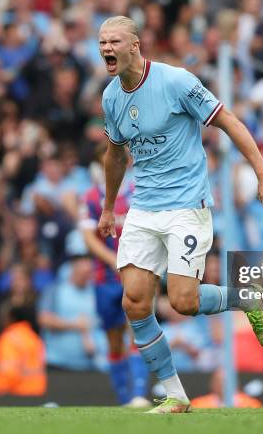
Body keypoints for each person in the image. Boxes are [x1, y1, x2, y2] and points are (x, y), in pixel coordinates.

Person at [97, 16, 263, 414]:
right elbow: (114, 154)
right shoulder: (111, 97)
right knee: (135, 302)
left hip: (185, 206)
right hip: (144, 207)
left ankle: (244, 297)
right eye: (102, 42)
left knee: (183, 301)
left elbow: (227, 120)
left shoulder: (176, 82)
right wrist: (110, 207)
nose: (107, 48)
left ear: (135, 45)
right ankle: (176, 395)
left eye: (114, 41)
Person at [80, 142, 150, 407]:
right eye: (106, 160)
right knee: (113, 339)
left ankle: (139, 395)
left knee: (138, 329)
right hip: (105, 277)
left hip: (135, 270)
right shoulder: (89, 197)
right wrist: (113, 259)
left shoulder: (138, 191)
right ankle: (124, 399)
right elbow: (88, 237)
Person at [0, 306, 46, 397]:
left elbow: (8, 371)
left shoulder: (8, 338)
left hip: (15, 393)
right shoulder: (34, 338)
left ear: (11, 318)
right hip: (36, 391)